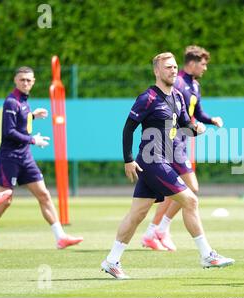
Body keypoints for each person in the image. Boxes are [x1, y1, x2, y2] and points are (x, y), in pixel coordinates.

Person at [100, 52, 234, 279]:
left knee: (137, 214)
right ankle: (206, 254)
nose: (173, 70)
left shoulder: (179, 97)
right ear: (156, 71)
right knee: (190, 200)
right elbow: (128, 128)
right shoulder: (148, 97)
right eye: (168, 67)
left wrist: (198, 129)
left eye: (174, 67)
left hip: (162, 160)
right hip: (152, 161)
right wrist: (128, 159)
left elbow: (184, 126)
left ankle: (111, 261)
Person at [0, 66, 83, 252]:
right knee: (3, 201)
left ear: (34, 82)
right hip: (10, 158)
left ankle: (60, 237)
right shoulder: (11, 101)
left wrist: (32, 116)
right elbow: (9, 131)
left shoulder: (23, 102)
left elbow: (20, 122)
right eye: (22, 79)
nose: (26, 83)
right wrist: (33, 139)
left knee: (44, 195)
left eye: (29, 80)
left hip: (25, 158)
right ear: (15, 80)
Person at [141, 45, 223, 252]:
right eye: (203, 64)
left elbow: (197, 113)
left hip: (182, 141)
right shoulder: (176, 82)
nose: (205, 68)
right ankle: (160, 229)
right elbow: (174, 114)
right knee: (191, 189)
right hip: (173, 143)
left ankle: (154, 231)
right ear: (192, 63)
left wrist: (211, 120)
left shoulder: (194, 86)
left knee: (174, 190)